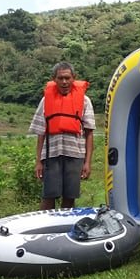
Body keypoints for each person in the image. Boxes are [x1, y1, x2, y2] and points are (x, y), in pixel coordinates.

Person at [29, 62, 95, 210]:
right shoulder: (46, 100)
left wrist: (87, 162)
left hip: (76, 155)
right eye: (60, 78)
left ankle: (65, 224)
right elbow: (41, 133)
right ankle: (45, 223)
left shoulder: (85, 101)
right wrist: (38, 161)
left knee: (69, 198)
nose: (64, 82)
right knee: (48, 197)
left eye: (67, 78)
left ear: (73, 78)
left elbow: (89, 133)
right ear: (54, 79)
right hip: (51, 155)